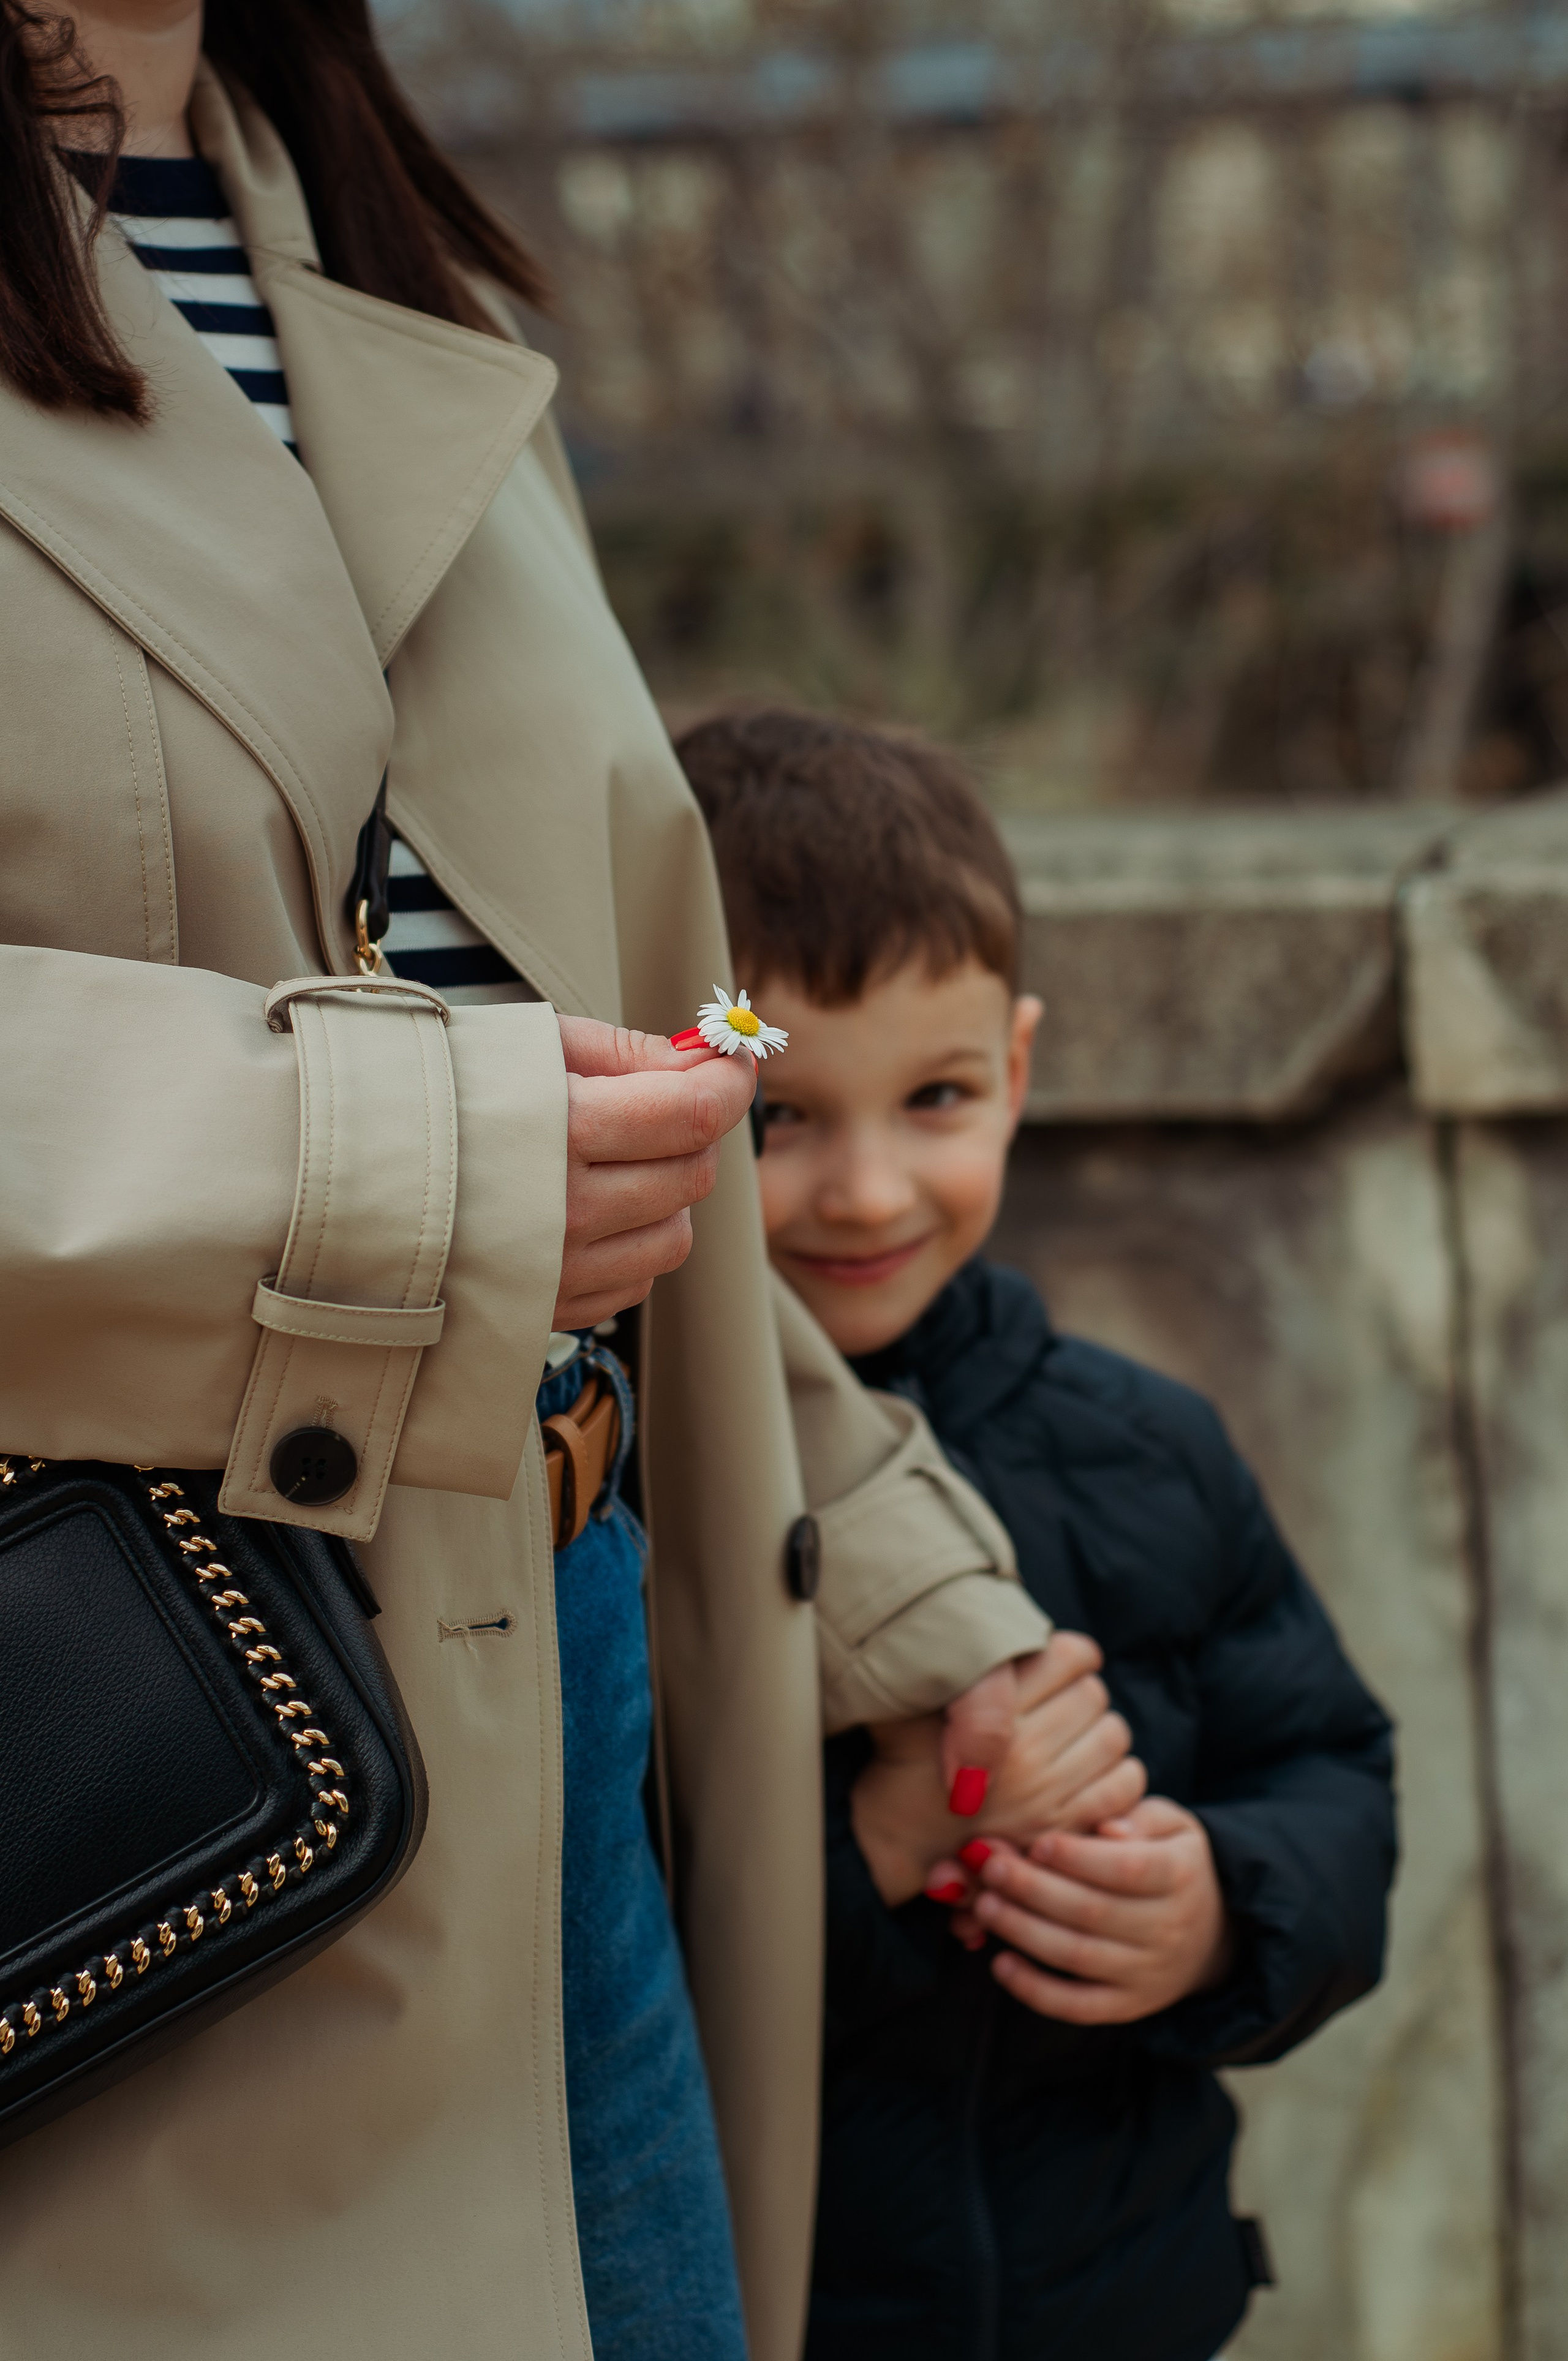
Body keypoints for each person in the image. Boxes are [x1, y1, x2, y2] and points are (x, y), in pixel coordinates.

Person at [0, 13, 1117, 2360]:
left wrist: (912, 1613)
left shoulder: (388, 272)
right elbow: (453, 1132)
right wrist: (386, 1160)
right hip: (135, 1763)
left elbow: (597, 1068)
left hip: (570, 1702)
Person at [679, 706, 1400, 2361]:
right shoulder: (620, 1484)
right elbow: (579, 1966)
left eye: (934, 1097)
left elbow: (1334, 1772)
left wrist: (1222, 1906)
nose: (867, 1192)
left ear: (1014, 1069)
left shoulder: (1149, 1445)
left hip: (1130, 2301)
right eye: (779, 1118)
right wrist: (879, 1846)